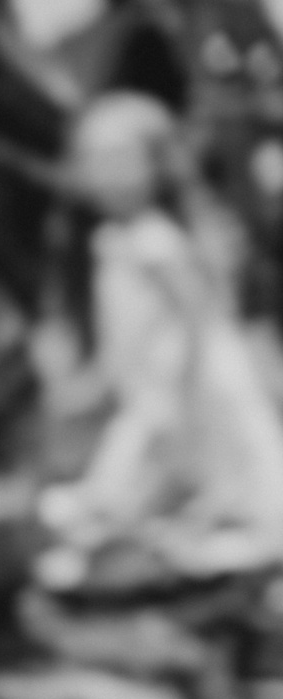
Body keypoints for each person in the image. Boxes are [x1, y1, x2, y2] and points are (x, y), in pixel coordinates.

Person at [39, 90, 283, 565]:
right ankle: (143, 520)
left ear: (155, 163)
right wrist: (97, 381)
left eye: (121, 159)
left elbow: (198, 314)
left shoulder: (155, 240)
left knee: (208, 454)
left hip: (187, 371)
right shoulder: (112, 239)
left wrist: (185, 378)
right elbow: (121, 331)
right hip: (152, 374)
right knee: (151, 451)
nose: (108, 175)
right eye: (96, 161)